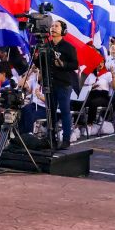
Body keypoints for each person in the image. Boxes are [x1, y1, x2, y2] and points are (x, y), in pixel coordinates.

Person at [39, 20, 80, 149]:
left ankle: (66, 139)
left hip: (63, 84)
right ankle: (51, 138)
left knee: (64, 112)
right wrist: (36, 57)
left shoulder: (68, 47)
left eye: (56, 26)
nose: (53, 28)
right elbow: (39, 64)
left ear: (63, 30)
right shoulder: (46, 46)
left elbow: (75, 64)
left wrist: (63, 64)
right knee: (50, 112)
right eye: (51, 26)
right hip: (49, 84)